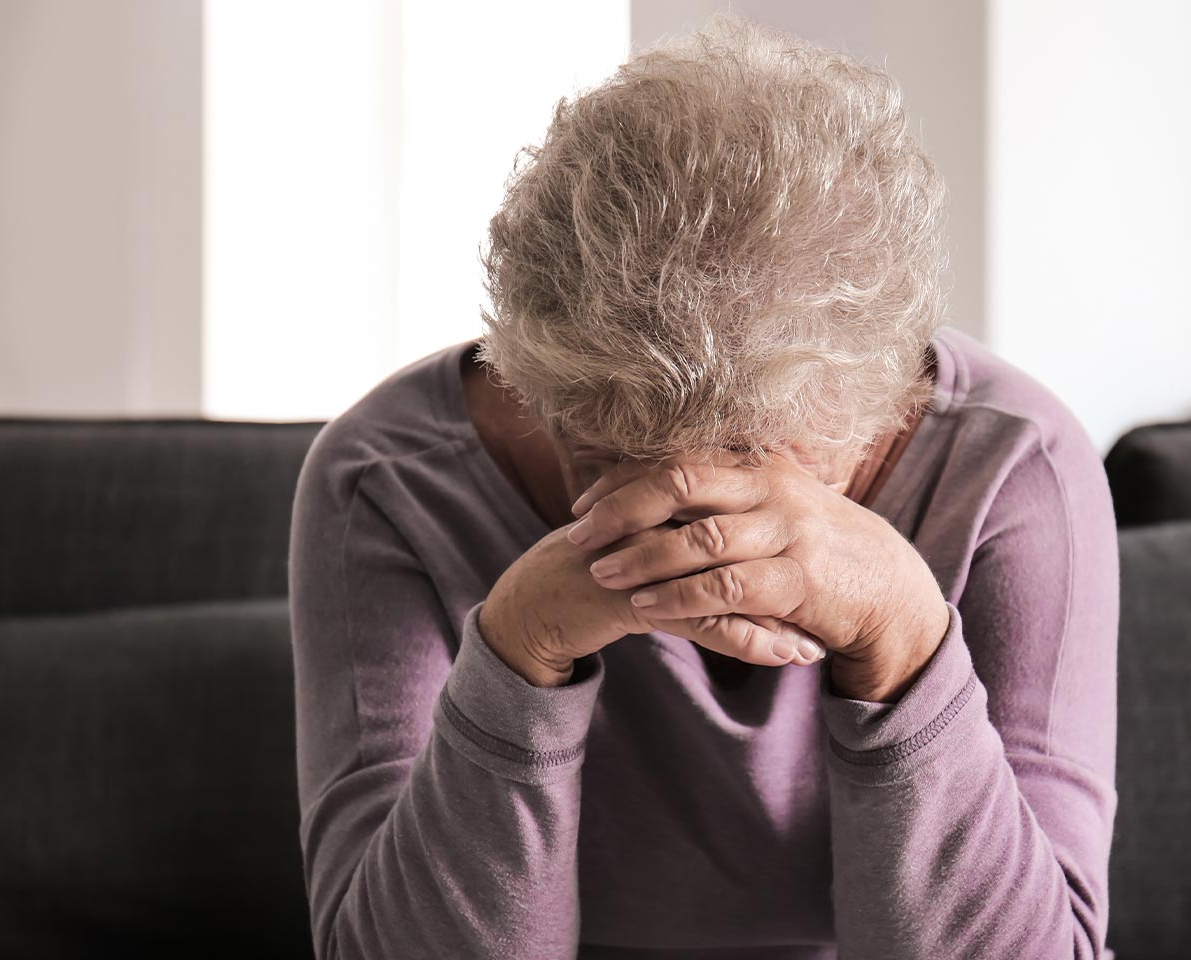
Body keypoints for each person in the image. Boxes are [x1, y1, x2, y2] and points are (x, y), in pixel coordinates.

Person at [288, 12, 1118, 959]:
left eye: (750, 470)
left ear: (882, 399)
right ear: (536, 378)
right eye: (602, 461)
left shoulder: (1019, 469)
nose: (683, 530)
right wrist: (518, 653)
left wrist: (903, 637)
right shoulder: (384, 482)